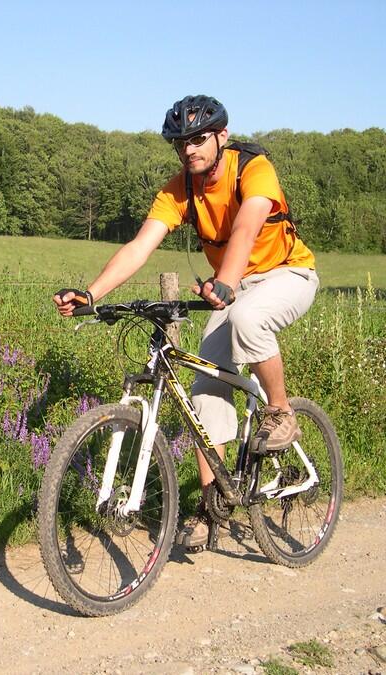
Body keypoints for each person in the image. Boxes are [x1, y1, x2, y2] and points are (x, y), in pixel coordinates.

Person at [53, 95, 319, 548]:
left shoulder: (253, 168)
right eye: (181, 143)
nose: (189, 149)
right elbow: (140, 247)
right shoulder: (180, 190)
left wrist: (226, 282)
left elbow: (246, 228)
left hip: (287, 274)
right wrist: (92, 294)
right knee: (205, 389)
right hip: (231, 286)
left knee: (249, 319)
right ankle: (214, 504)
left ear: (222, 136)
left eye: (198, 139)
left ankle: (280, 412)